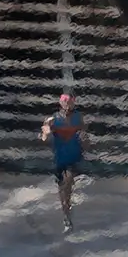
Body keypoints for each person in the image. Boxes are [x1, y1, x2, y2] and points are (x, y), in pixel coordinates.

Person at [42, 93, 86, 232]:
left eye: (70, 102)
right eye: (65, 102)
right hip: (60, 158)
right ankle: (66, 212)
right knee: (63, 188)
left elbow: (84, 134)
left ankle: (67, 210)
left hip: (73, 156)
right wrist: (47, 132)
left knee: (68, 181)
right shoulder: (53, 119)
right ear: (61, 103)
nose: (68, 104)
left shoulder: (78, 118)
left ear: (73, 103)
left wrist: (85, 139)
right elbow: (44, 138)